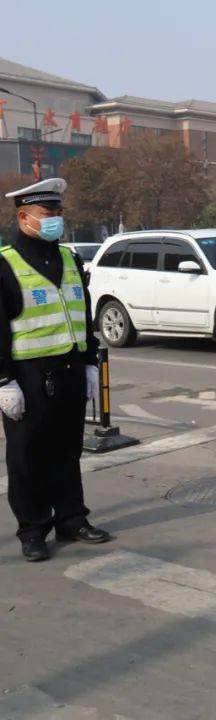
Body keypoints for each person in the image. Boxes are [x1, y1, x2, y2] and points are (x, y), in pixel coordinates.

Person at [0, 178, 111, 562]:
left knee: (67, 450)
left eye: (59, 213)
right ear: (24, 216)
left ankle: (71, 518)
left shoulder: (69, 258)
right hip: (27, 376)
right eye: (49, 214)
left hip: (68, 368)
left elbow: (83, 313)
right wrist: (4, 381)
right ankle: (32, 530)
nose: (56, 220)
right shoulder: (5, 263)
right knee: (27, 456)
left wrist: (89, 362)